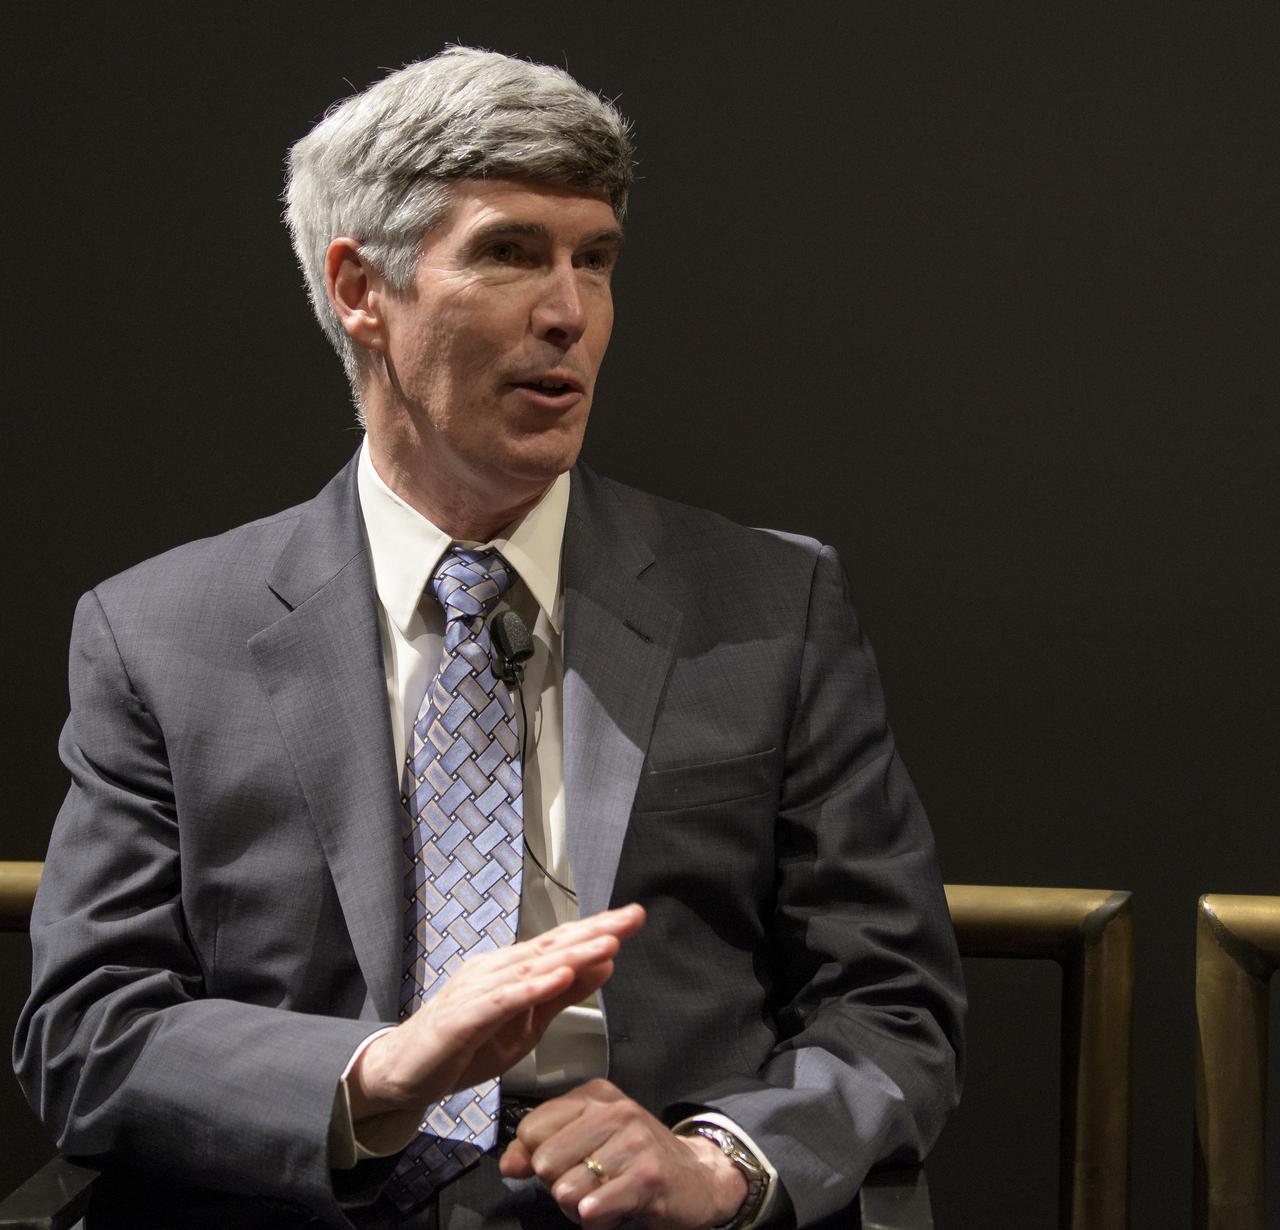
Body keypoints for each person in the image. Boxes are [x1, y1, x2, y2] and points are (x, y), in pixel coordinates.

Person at [15, 46, 965, 1230]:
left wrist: (721, 1164)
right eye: (510, 254)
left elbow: (889, 1002)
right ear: (363, 289)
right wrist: (378, 1077)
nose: (569, 313)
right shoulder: (158, 633)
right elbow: (88, 1034)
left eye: (595, 261)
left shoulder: (770, 605)